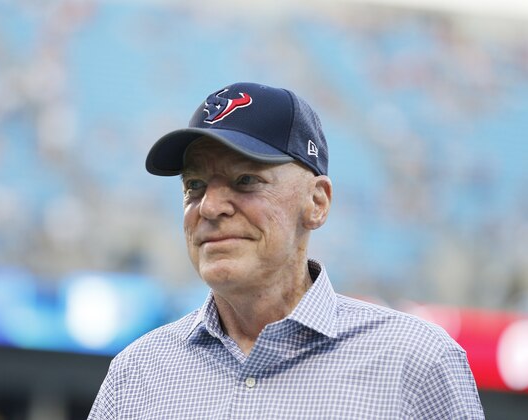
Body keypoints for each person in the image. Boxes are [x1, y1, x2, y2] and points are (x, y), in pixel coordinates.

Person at [88, 82, 484, 419]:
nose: (209, 207)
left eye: (245, 180)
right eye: (194, 185)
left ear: (317, 202)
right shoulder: (136, 373)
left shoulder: (415, 364)